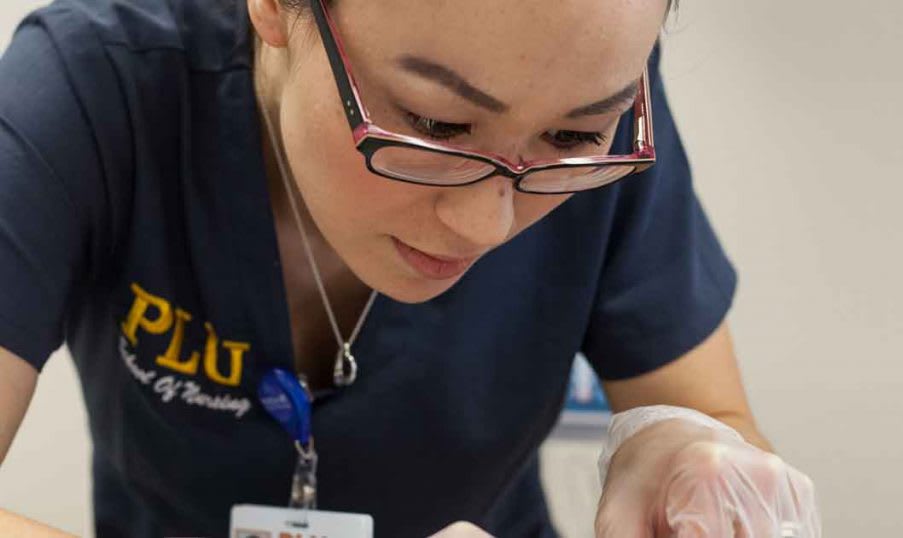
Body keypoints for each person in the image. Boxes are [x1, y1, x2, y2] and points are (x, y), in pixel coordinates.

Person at [0, 0, 820, 536]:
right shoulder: (93, 84)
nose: (486, 222)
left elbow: (710, 421)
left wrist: (688, 457)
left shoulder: (599, 104)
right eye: (435, 124)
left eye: (570, 140)